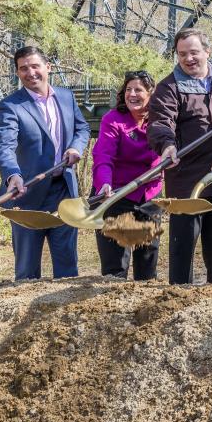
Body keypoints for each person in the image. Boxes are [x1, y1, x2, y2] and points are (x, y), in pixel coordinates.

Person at [147, 28, 212, 285]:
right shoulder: (168, 88)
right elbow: (160, 123)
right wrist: (167, 145)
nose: (188, 59)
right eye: (182, 54)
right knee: (182, 251)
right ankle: (177, 297)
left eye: (193, 53)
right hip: (186, 185)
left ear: (207, 52)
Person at [0, 46, 90, 280]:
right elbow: (3, 147)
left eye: (35, 66)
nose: (30, 72)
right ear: (17, 73)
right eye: (23, 68)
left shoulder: (66, 97)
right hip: (26, 194)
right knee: (26, 271)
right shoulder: (10, 106)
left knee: (67, 267)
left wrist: (76, 146)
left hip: (64, 193)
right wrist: (12, 175)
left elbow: (82, 128)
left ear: (48, 67)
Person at [91, 71, 163, 281]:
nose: (132, 94)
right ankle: (110, 306)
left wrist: (160, 171)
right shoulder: (113, 120)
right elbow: (103, 156)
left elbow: (168, 147)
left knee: (148, 261)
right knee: (115, 266)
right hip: (115, 195)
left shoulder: (160, 119)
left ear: (150, 94)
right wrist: (103, 184)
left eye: (138, 90)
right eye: (128, 90)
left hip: (149, 195)